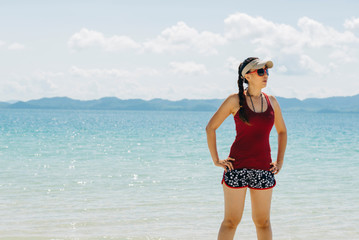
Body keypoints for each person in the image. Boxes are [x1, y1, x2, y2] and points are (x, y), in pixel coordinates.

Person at [206, 57, 287, 240]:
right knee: (231, 221)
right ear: (247, 76)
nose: (265, 75)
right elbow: (210, 128)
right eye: (260, 71)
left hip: (263, 168)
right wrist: (216, 160)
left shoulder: (272, 102)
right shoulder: (235, 100)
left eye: (266, 71)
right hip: (237, 168)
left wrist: (280, 161)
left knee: (263, 222)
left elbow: (282, 131)